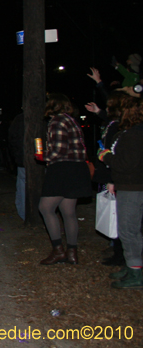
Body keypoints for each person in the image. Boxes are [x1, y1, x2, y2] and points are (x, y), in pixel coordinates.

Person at [36, 93, 92, 265]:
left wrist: (42, 156)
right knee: (68, 212)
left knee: (45, 208)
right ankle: (72, 252)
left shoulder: (57, 121)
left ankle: (58, 250)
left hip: (63, 169)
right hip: (77, 168)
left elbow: (59, 151)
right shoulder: (71, 120)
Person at [98, 98, 143, 288]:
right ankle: (132, 266)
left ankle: (135, 274)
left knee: (128, 231)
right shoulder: (132, 133)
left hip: (132, 188)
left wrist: (106, 156)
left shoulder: (134, 135)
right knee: (130, 230)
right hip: (129, 186)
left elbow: (127, 164)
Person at [8, 110, 25, 220]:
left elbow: (12, 138)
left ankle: (24, 213)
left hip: (23, 159)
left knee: (22, 186)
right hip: (26, 159)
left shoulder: (19, 119)